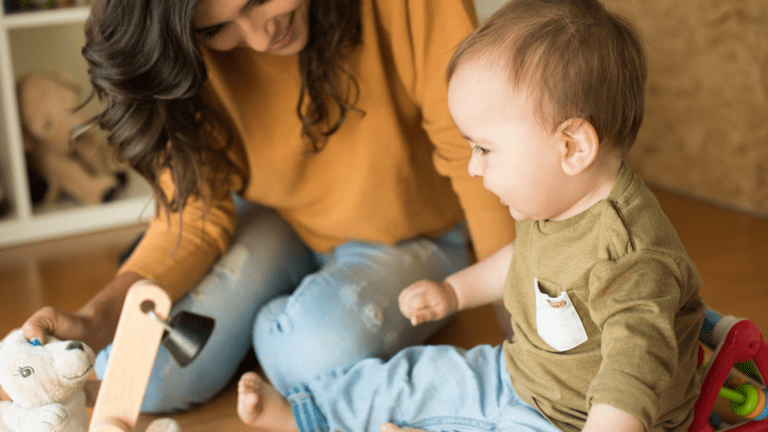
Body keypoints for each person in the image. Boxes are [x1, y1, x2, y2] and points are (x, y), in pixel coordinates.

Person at [12, 0, 516, 414]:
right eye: (218, 29)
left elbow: (471, 153)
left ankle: (266, 330)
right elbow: (194, 213)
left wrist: (517, 319)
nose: (257, 37)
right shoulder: (182, 44)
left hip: (415, 232)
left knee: (308, 355)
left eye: (256, 0)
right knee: (138, 373)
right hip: (281, 222)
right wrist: (98, 317)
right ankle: (268, 324)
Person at [233, 0, 708, 431]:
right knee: (417, 376)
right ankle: (308, 414)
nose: (473, 166)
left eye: (484, 148)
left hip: (576, 421)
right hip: (522, 374)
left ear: (572, 146)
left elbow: (633, 375)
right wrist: (453, 291)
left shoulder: (632, 257)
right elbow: (522, 261)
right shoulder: (559, 198)